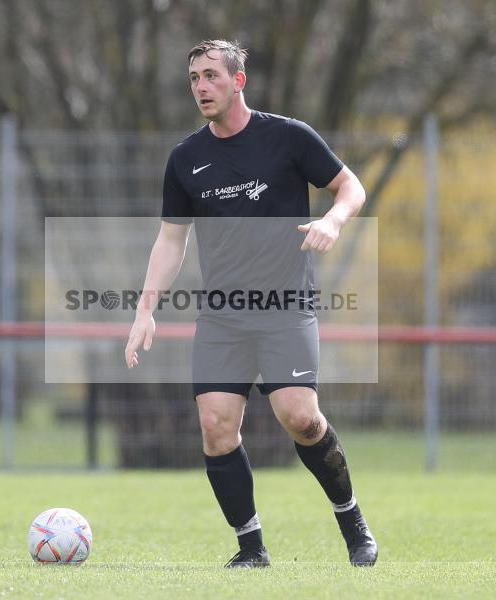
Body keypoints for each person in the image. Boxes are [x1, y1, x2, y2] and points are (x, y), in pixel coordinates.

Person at [124, 39, 377, 568]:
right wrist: (145, 309)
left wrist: (333, 220)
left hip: (285, 306)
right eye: (194, 77)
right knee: (217, 426)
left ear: (238, 81)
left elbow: (350, 186)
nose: (200, 86)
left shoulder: (288, 137)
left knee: (300, 418)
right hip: (222, 313)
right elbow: (171, 241)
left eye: (211, 76)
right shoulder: (186, 159)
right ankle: (251, 548)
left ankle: (352, 521)